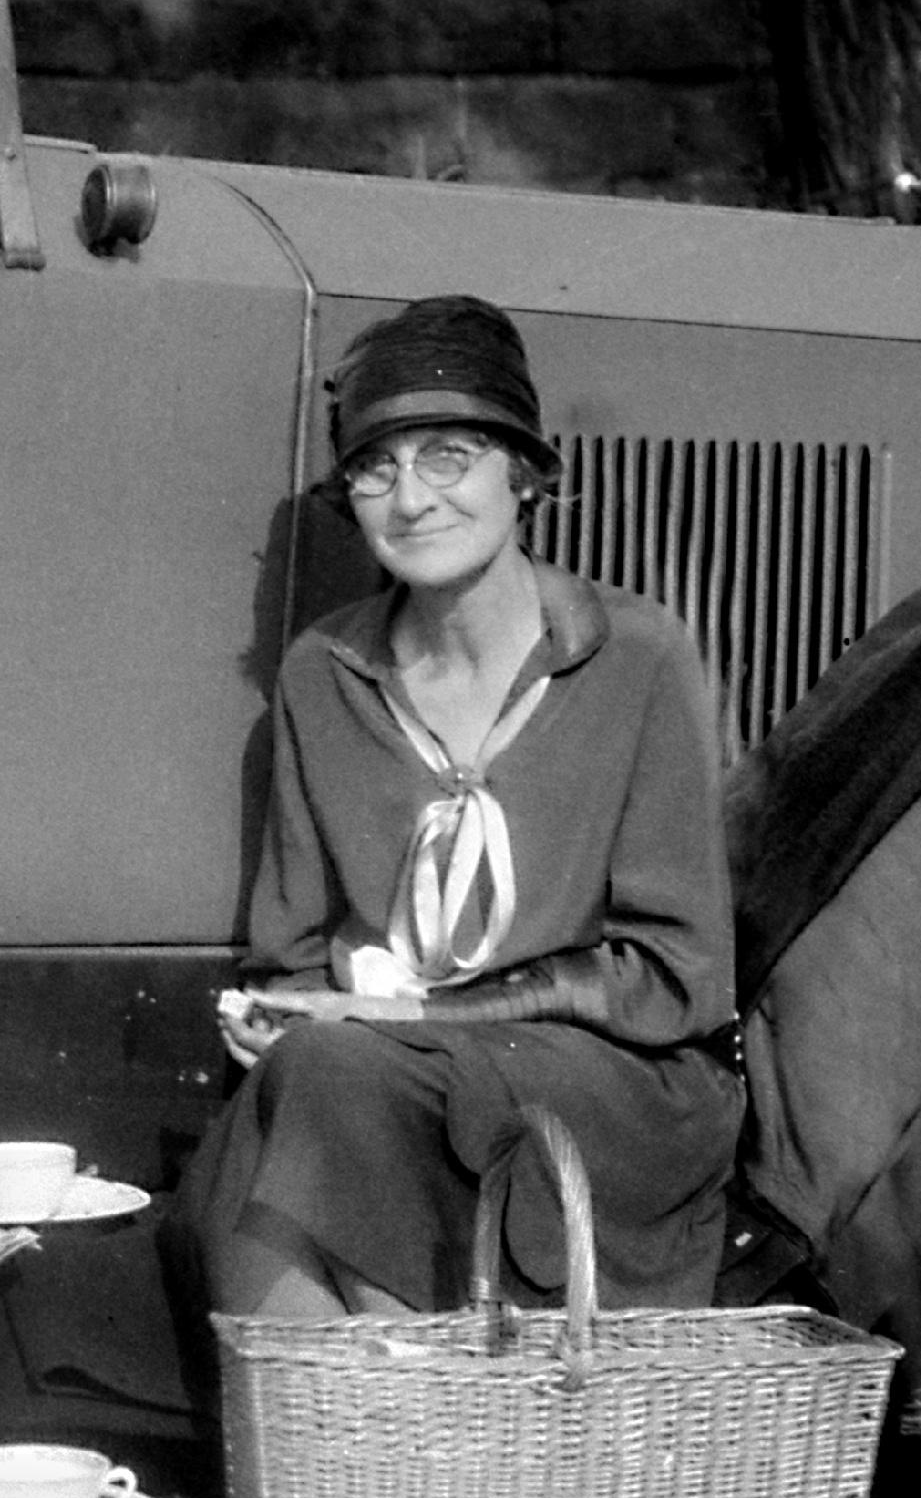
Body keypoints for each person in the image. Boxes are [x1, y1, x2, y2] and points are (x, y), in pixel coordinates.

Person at [188, 293, 740, 1320]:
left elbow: (675, 981)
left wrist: (404, 1018)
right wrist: (283, 1015)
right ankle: (340, 1445)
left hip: (602, 1086)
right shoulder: (325, 674)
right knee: (264, 1126)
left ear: (521, 475)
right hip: (369, 1072)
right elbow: (292, 954)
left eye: (447, 456)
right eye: (375, 467)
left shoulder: (638, 658)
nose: (409, 500)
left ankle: (406, 1437)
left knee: (327, 1086)